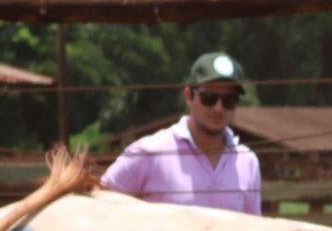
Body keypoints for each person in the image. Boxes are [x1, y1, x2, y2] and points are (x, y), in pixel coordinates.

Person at [101, 51, 262, 216]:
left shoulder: (248, 161)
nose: (218, 108)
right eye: (209, 98)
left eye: (229, 101)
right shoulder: (151, 151)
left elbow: (254, 230)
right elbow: (100, 203)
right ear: (189, 96)